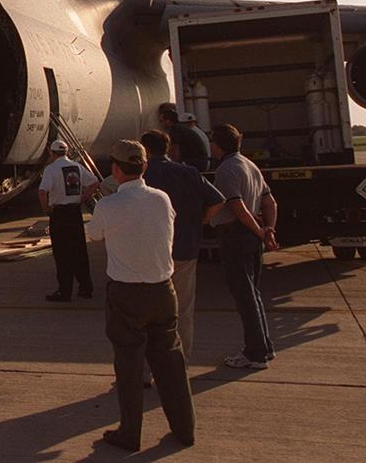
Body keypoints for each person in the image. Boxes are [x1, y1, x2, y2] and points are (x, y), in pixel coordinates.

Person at [86, 139, 195, 452]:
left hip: (126, 294)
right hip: (163, 290)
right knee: (171, 364)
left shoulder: (108, 205)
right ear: (144, 166)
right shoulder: (161, 199)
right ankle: (184, 429)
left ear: (115, 169)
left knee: (129, 366)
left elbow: (94, 235)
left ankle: (130, 433)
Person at [141, 129, 224, 364]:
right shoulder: (188, 172)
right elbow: (218, 200)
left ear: (145, 150)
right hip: (186, 248)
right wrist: (202, 220)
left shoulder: (143, 176)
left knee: (150, 311)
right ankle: (180, 360)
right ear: (168, 148)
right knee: (183, 309)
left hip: (153, 253)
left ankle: (148, 366)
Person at [209, 123, 278, 370]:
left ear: (217, 145)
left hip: (236, 236)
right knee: (253, 294)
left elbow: (239, 209)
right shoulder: (250, 165)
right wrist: (269, 230)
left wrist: (260, 231)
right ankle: (265, 346)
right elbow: (270, 202)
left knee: (244, 297)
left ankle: (255, 354)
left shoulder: (226, 170)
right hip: (251, 237)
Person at [39, 139, 97, 302]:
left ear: (52, 153)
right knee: (79, 251)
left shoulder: (51, 169)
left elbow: (42, 192)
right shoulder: (76, 166)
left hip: (59, 214)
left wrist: (46, 209)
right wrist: (82, 198)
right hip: (75, 212)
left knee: (62, 253)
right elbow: (94, 183)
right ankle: (86, 288)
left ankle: (64, 291)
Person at [157, 104, 208, 172]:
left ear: (168, 121)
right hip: (201, 162)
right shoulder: (181, 128)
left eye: (161, 121)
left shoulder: (175, 129)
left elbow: (175, 152)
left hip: (195, 163)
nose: (160, 124)